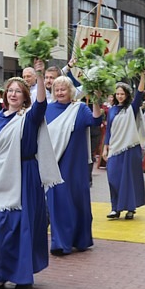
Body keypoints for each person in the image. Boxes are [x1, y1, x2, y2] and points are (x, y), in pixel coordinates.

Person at [0, 59, 60, 289]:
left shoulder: (30, 117)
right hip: (1, 176)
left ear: (25, 96)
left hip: (26, 175)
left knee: (21, 227)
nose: (13, 94)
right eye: (10, 91)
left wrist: (40, 74)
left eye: (18, 91)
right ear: (5, 95)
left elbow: (42, 103)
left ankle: (22, 276)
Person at [45, 76, 102, 255]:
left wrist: (97, 100)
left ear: (71, 91)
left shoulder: (80, 108)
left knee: (78, 201)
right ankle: (61, 242)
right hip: (55, 164)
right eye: (57, 90)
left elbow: (95, 121)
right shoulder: (46, 109)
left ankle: (81, 239)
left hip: (76, 164)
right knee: (58, 201)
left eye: (64, 89)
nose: (60, 92)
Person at [102, 72, 145, 220]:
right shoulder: (112, 110)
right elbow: (109, 129)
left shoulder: (131, 108)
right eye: (117, 94)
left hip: (130, 147)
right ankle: (115, 207)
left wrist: (142, 77)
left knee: (128, 179)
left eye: (122, 94)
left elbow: (140, 93)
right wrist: (105, 146)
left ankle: (130, 208)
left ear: (127, 95)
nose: (120, 96)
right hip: (115, 148)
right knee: (113, 177)